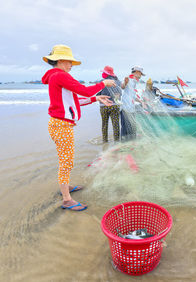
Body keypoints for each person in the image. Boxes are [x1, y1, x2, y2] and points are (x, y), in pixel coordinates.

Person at [41, 44, 115, 211]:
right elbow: (84, 91)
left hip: (60, 125)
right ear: (60, 60)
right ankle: (67, 199)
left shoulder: (56, 77)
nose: (71, 65)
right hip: (61, 126)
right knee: (66, 162)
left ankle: (66, 188)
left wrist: (97, 99)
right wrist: (103, 83)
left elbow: (75, 101)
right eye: (69, 62)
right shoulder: (60, 76)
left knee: (66, 160)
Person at [96, 66, 122, 143]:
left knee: (104, 124)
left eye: (103, 72)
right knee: (116, 124)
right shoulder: (118, 82)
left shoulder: (102, 81)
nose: (102, 74)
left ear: (106, 73)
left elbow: (97, 94)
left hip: (103, 106)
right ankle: (117, 142)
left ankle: (105, 141)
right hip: (115, 105)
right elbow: (120, 93)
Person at [120, 66, 145, 141]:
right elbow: (123, 86)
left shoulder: (134, 82)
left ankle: (131, 143)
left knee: (132, 128)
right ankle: (124, 145)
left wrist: (141, 102)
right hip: (125, 109)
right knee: (125, 129)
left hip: (131, 109)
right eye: (141, 74)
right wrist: (125, 82)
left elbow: (133, 96)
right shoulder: (128, 79)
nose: (141, 76)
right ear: (137, 72)